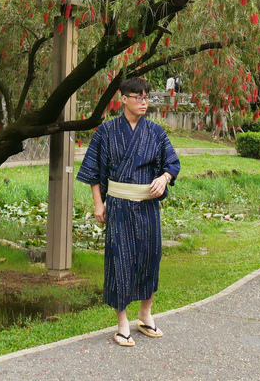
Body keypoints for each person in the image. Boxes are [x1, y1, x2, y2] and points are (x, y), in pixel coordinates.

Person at [76, 77, 181, 347]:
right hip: (119, 205)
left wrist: (164, 178)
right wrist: (99, 204)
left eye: (147, 97)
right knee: (119, 259)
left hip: (147, 205)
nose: (144, 102)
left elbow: (172, 163)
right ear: (124, 99)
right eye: (138, 97)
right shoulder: (106, 132)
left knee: (150, 256)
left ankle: (145, 313)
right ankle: (122, 321)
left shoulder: (156, 133)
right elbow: (94, 171)